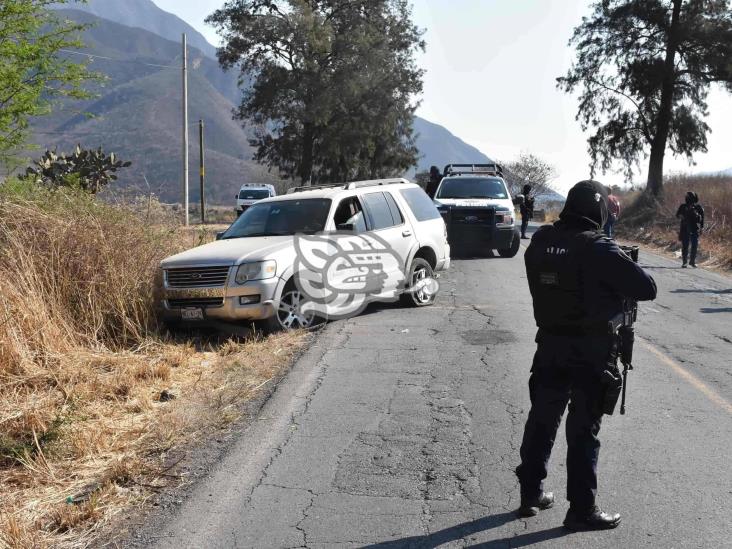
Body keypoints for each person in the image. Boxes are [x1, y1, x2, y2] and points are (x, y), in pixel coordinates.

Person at [515, 180, 657, 531]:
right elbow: (647, 288)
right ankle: (581, 509)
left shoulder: (541, 243)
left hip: (549, 346)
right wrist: (615, 251)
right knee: (583, 431)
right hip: (591, 353)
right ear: (598, 210)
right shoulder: (598, 249)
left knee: (542, 420)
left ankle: (530, 493)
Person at [676, 191, 705, 268]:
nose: (687, 198)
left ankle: (692, 261)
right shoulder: (683, 206)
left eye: (689, 196)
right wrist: (681, 216)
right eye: (687, 196)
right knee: (685, 245)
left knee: (694, 245)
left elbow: (702, 219)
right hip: (685, 228)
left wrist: (702, 228)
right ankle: (684, 262)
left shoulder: (698, 207)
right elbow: (677, 215)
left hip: (694, 229)